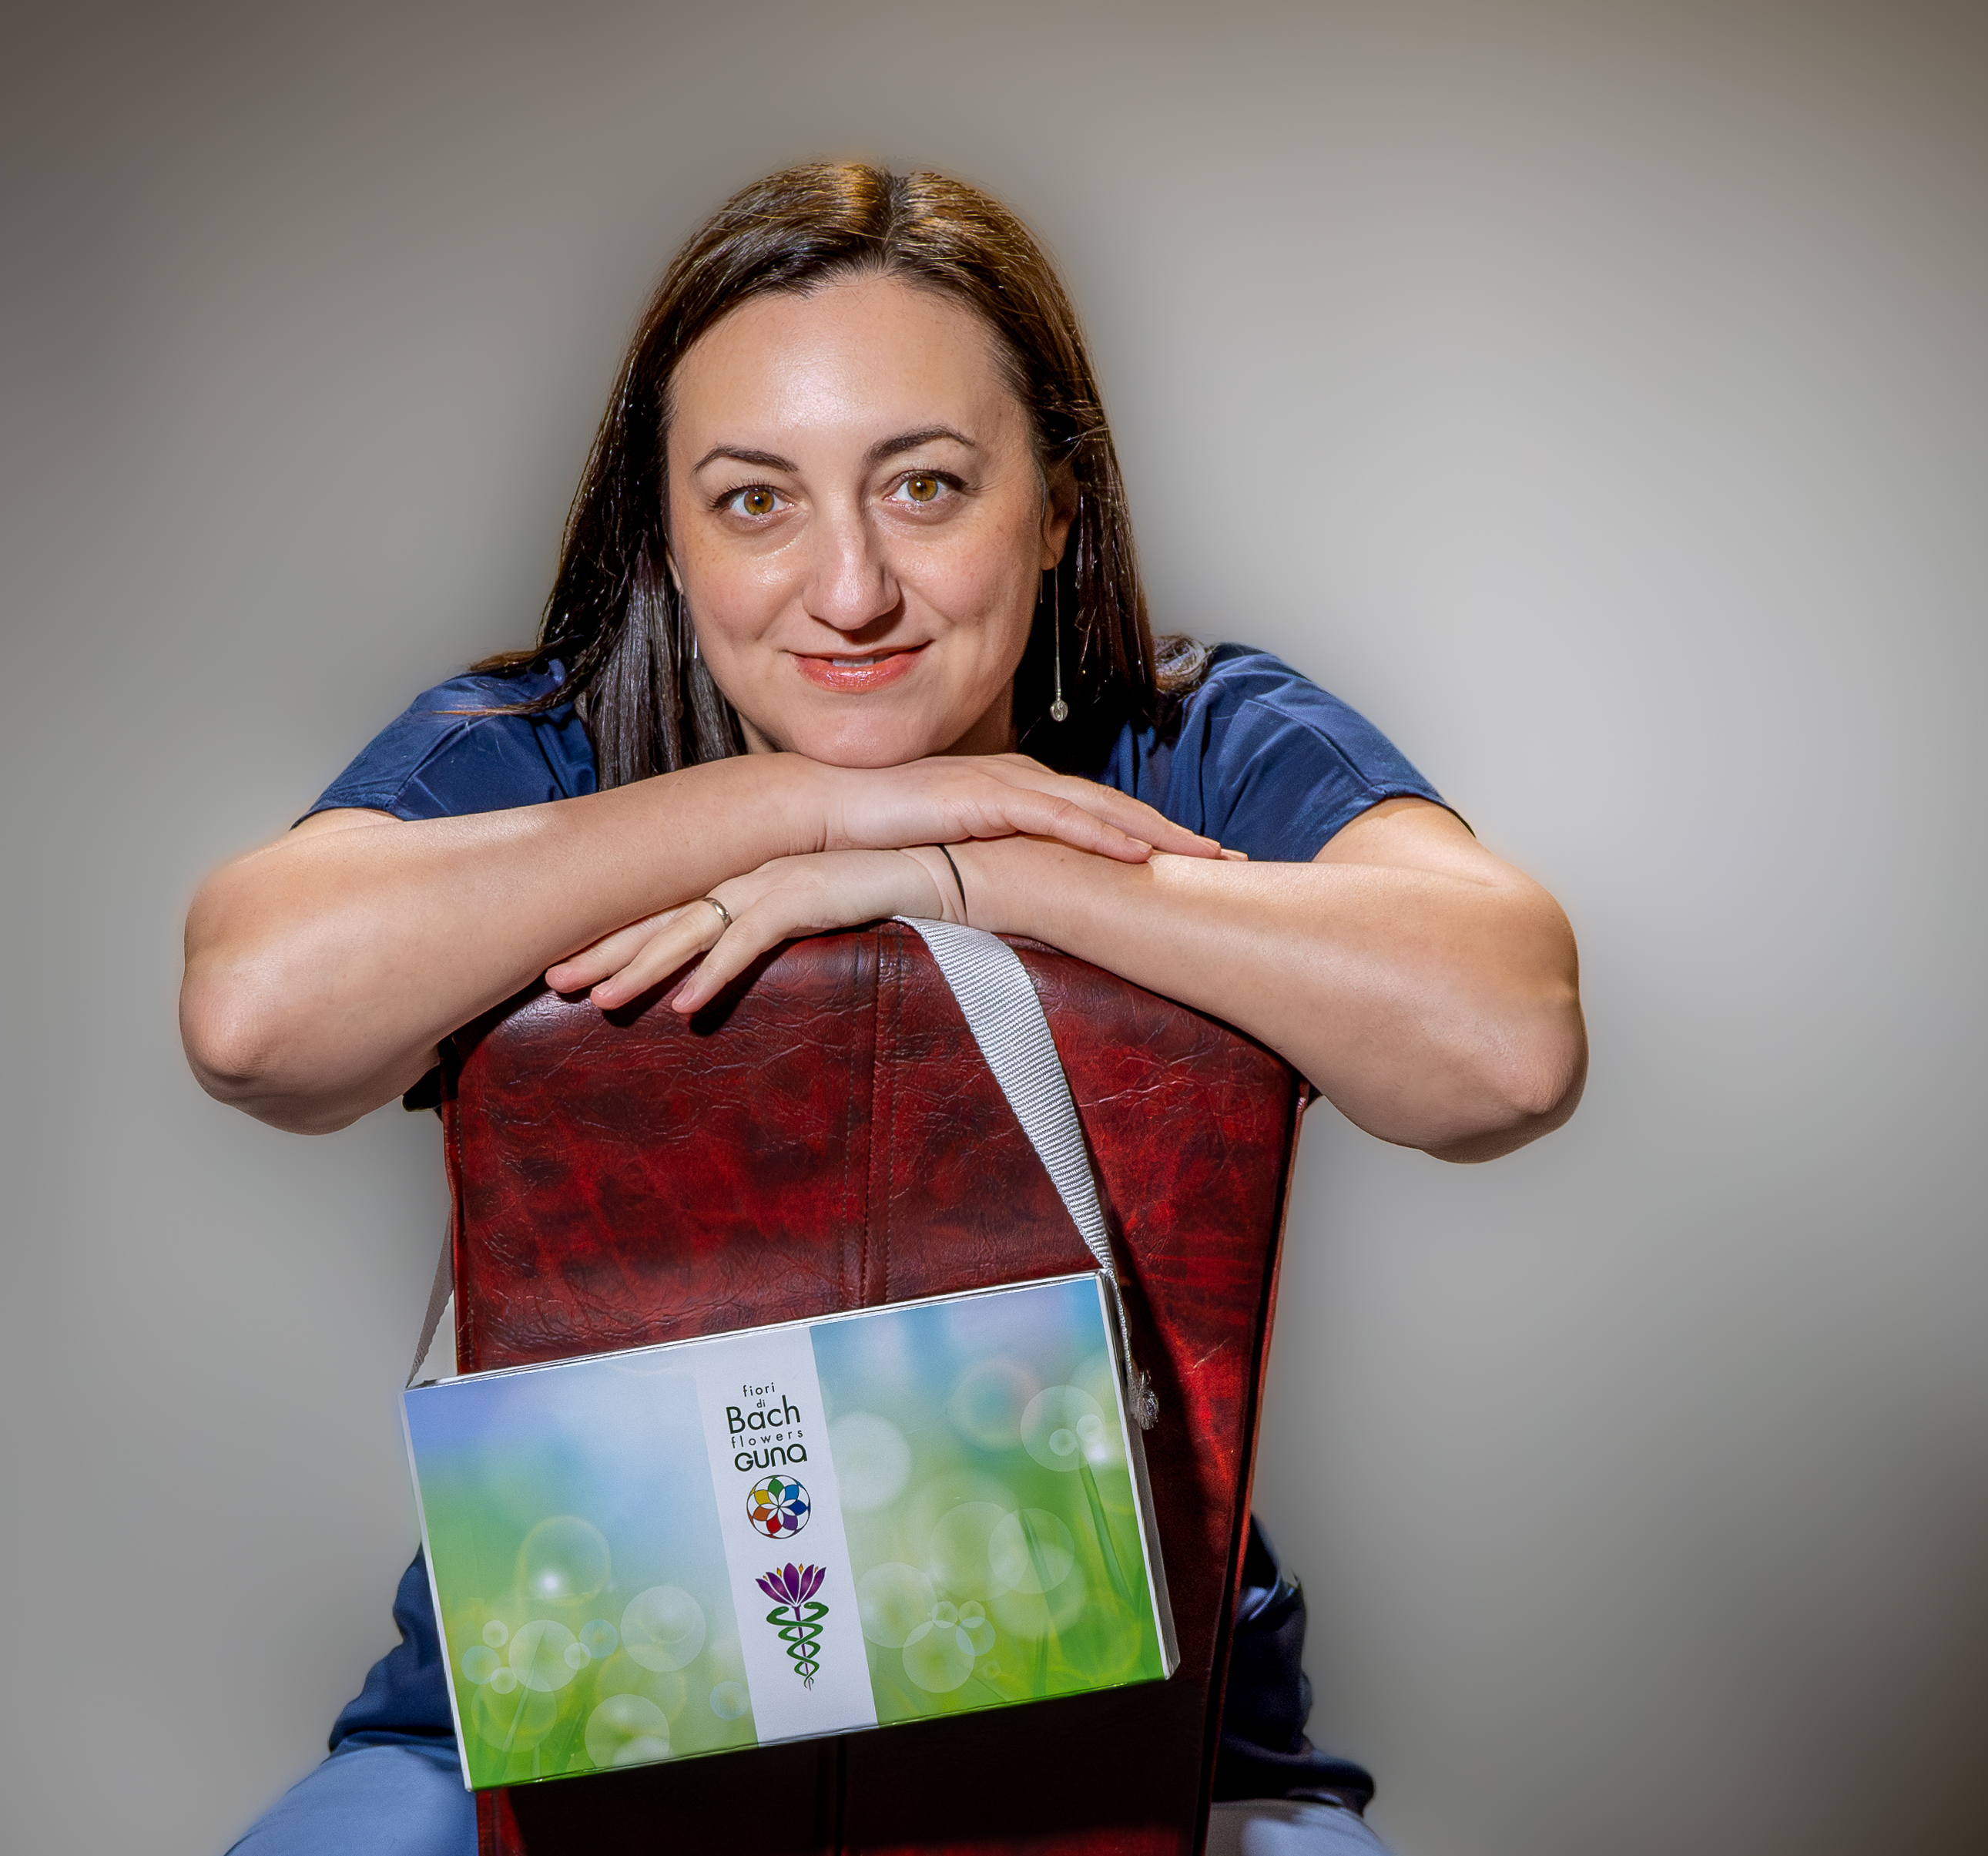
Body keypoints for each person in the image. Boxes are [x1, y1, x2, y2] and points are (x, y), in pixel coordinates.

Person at [182, 163, 1584, 1856]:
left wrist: (974, 865)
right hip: (554, 1722)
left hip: (1148, 1736)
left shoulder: (1190, 740)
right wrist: (803, 805)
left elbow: (1505, 1044)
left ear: (1056, 507)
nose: (848, 589)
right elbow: (255, 1012)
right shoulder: (551, 749)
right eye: (753, 502)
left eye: (925, 486)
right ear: (671, 537)